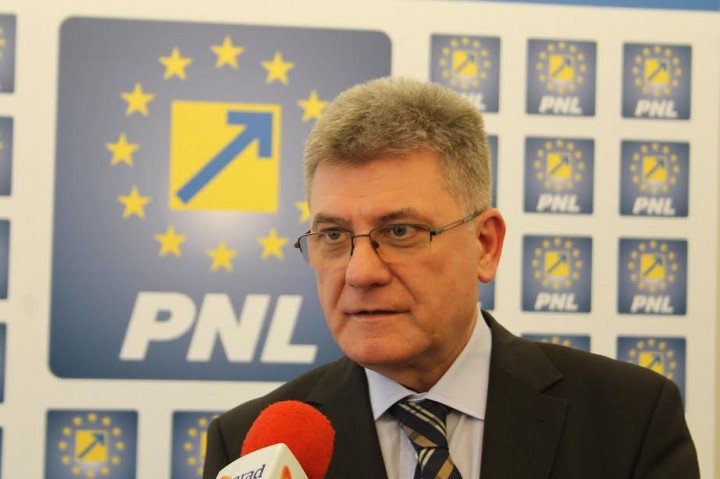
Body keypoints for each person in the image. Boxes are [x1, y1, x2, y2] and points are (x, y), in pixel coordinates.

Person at [202, 77, 699, 479]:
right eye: (333, 235)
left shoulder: (630, 418)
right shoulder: (251, 449)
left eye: (400, 231)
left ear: (485, 245)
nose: (360, 272)